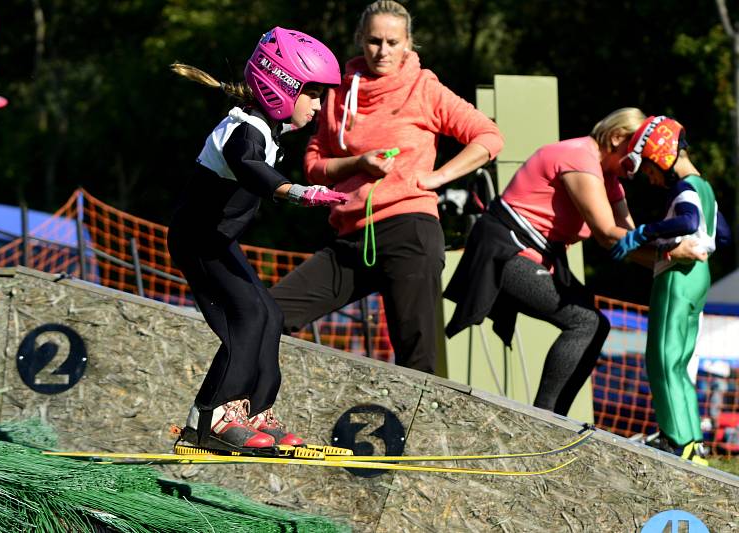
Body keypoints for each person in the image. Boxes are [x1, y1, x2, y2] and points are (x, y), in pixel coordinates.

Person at [270, 0, 504, 374]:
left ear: (408, 44)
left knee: (416, 359)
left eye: (393, 42)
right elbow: (314, 166)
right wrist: (357, 163)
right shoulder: (339, 92)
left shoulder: (425, 88)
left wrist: (436, 178)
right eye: (375, 41)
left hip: (409, 229)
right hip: (351, 237)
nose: (383, 51)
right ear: (361, 40)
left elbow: (488, 136)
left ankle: (416, 432)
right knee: (270, 313)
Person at [444, 107, 706, 416]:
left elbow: (630, 238)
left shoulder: (612, 181)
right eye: (635, 151)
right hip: (504, 249)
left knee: (598, 325)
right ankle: (544, 420)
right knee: (585, 322)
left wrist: (675, 263)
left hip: (537, 254)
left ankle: (556, 419)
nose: (637, 167)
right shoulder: (579, 157)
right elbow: (609, 235)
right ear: (616, 137)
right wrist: (669, 254)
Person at [166, 27, 347, 452]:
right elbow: (247, 165)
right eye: (315, 94)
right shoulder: (242, 128)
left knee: (268, 315)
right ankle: (208, 419)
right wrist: (298, 192)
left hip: (217, 242)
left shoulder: (267, 127)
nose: (320, 106)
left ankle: (255, 411)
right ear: (283, 85)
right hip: (198, 240)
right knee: (247, 318)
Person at [610, 115, 731, 465]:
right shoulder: (705, 188)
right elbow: (720, 234)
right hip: (699, 277)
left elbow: (689, 221)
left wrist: (643, 233)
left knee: (662, 358)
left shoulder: (684, 189)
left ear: (661, 154)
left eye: (648, 167)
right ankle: (692, 441)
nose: (649, 177)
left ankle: (674, 441)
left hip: (677, 276)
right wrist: (701, 244)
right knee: (679, 362)